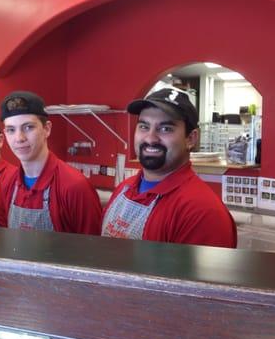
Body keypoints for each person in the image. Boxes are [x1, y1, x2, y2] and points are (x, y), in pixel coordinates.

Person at [101, 88, 237, 247]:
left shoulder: (203, 213)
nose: (150, 138)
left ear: (191, 139)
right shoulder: (123, 189)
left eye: (165, 129)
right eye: (144, 126)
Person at [0, 91, 102, 234]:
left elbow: (94, 251)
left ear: (47, 129)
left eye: (28, 127)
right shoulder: (8, 184)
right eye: (11, 130)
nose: (19, 138)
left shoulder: (75, 187)